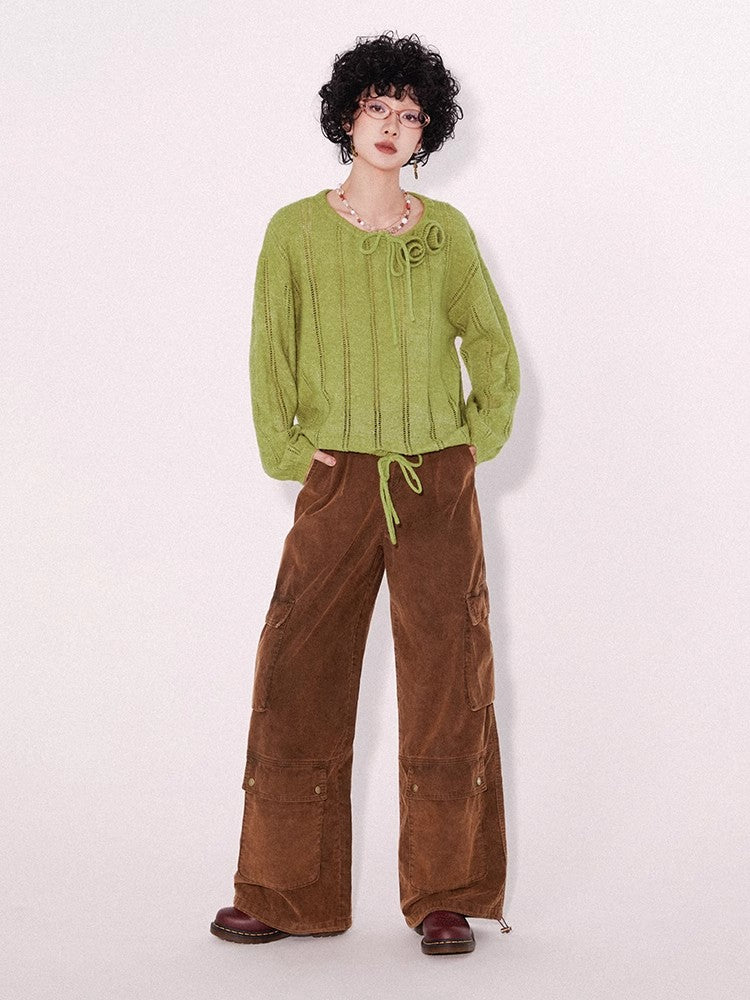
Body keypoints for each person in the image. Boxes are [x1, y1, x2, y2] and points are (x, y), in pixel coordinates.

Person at [211, 30, 519, 957]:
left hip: (435, 481)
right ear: (347, 115)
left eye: (411, 114)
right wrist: (291, 451)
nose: (392, 125)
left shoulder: (447, 233)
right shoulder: (294, 232)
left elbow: (491, 345)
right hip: (338, 479)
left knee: (448, 682)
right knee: (297, 674)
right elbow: (270, 352)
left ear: (428, 132)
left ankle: (446, 895)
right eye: (378, 107)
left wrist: (474, 440)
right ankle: (284, 890)